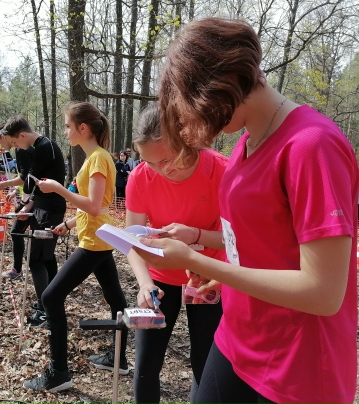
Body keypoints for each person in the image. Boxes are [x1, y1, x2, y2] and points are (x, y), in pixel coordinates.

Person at [134, 18, 358, 404]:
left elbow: (324, 293)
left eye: (195, 108)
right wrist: (213, 261)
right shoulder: (246, 143)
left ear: (222, 85)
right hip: (238, 337)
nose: (196, 124)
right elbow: (262, 244)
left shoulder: (312, 146)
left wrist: (197, 261)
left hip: (297, 364)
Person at [23, 101, 128, 392]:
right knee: (115, 297)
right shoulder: (96, 157)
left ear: (83, 128)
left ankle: (58, 372)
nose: (65, 131)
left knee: (50, 297)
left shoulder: (98, 158)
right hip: (98, 235)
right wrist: (69, 224)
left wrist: (57, 188)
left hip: (95, 241)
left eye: (68, 126)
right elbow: (98, 206)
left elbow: (94, 206)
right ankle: (118, 358)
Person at [127, 103, 226, 404]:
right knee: (146, 366)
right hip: (158, 278)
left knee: (204, 364)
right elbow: (132, 240)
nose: (160, 170)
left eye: (167, 160)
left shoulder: (222, 170)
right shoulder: (140, 177)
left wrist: (195, 235)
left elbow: (237, 240)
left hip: (207, 276)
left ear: (188, 140)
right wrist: (144, 284)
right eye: (149, 162)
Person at [0, 117, 66, 327]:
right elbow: (37, 184)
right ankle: (51, 301)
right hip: (43, 207)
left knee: (36, 259)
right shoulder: (42, 146)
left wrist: (24, 201)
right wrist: (28, 207)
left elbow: (29, 180)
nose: (16, 147)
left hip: (50, 210)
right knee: (46, 258)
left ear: (22, 135)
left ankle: (46, 310)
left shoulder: (44, 147)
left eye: (15, 142)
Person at [0, 125, 34, 280]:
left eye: (0, 142)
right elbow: (27, 176)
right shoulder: (21, 149)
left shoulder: (22, 150)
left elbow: (26, 177)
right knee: (18, 232)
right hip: (28, 198)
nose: (1, 146)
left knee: (17, 232)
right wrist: (16, 191)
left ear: (5, 136)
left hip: (33, 201)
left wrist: (4, 184)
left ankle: (18, 269)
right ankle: (23, 268)